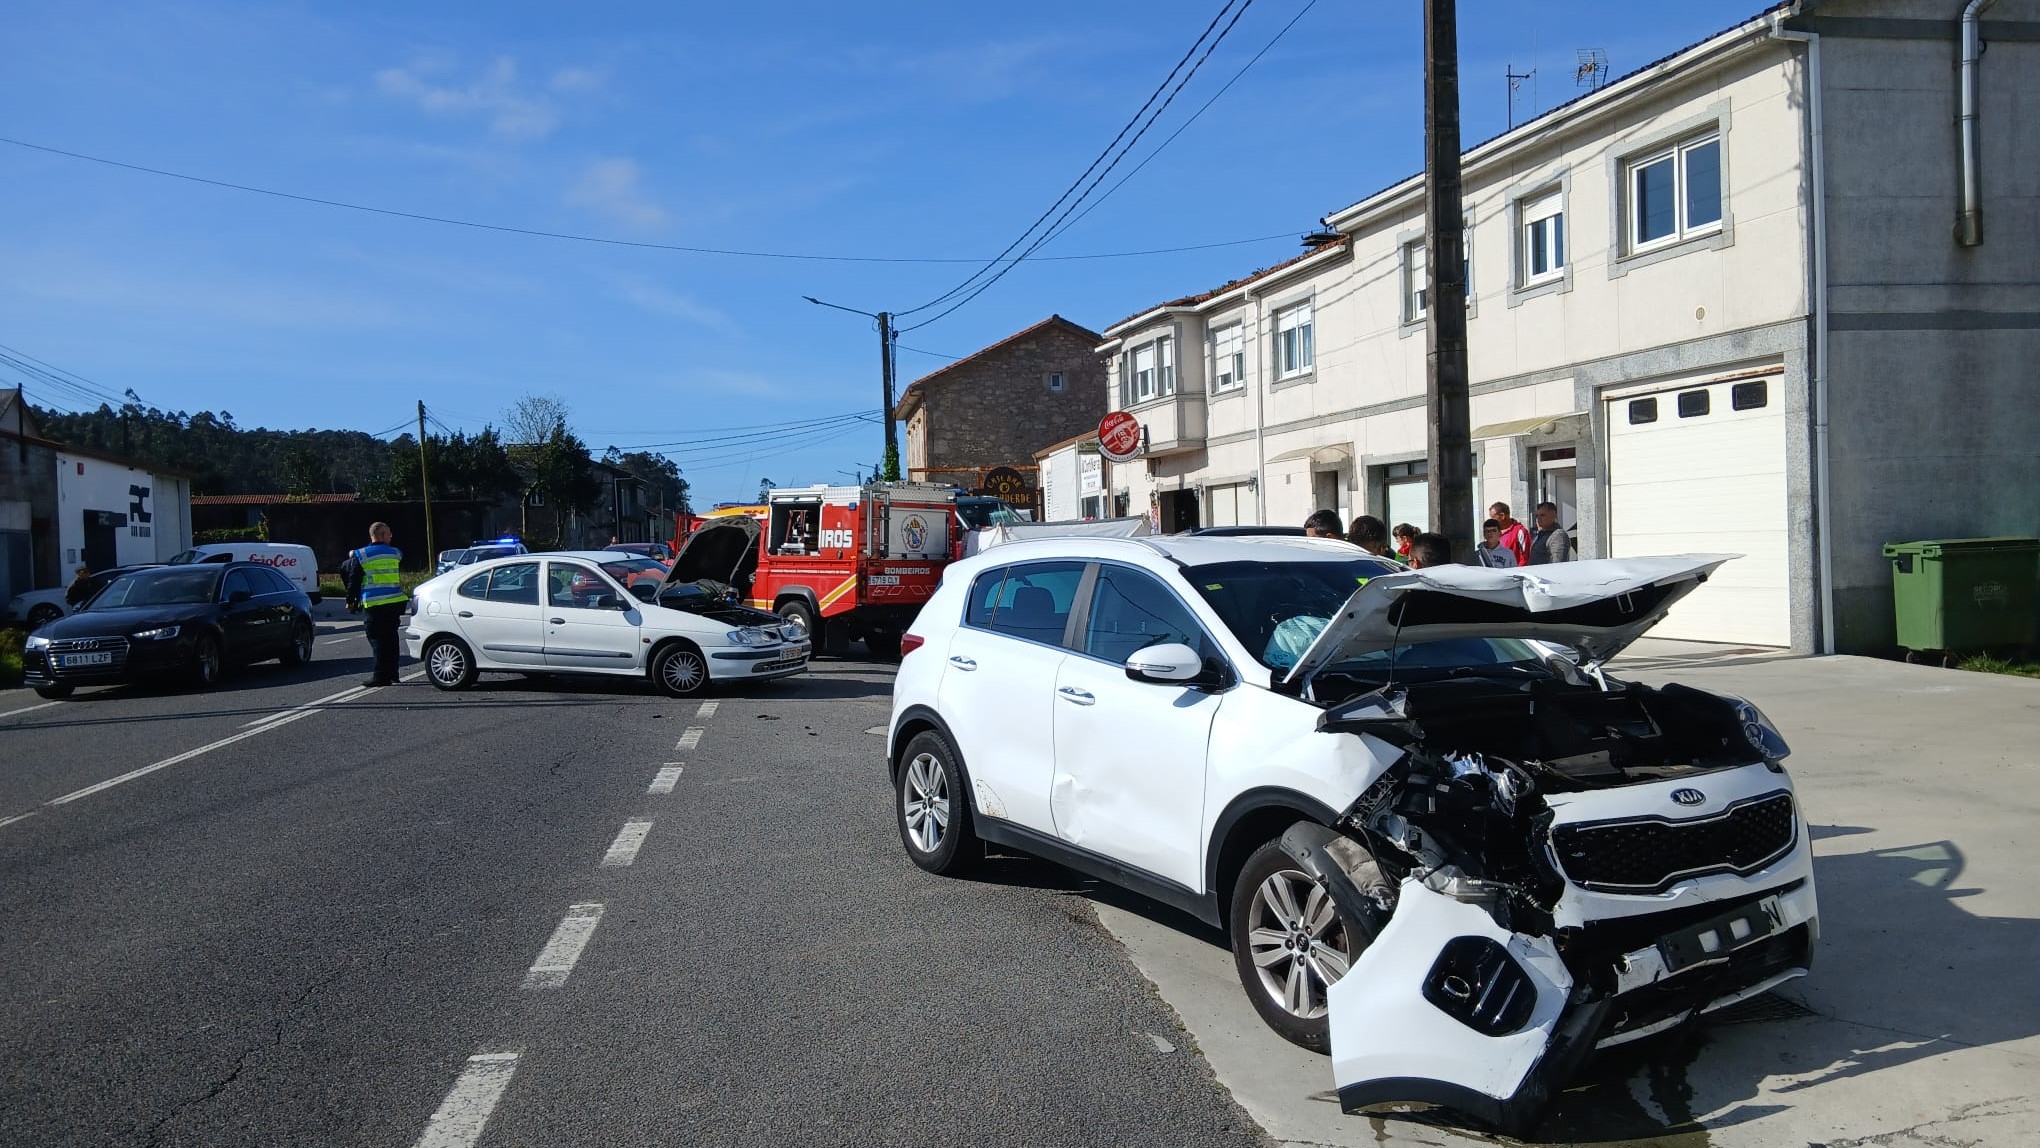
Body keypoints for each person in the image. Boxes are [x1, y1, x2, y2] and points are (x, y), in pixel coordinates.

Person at [350, 522, 407, 687]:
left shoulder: (361, 555)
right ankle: (393, 673)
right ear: (381, 535)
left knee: (377, 641)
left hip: (374, 604)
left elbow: (354, 580)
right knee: (391, 639)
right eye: (388, 534)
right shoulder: (395, 553)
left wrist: (350, 600)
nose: (391, 536)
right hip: (394, 603)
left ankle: (380, 675)